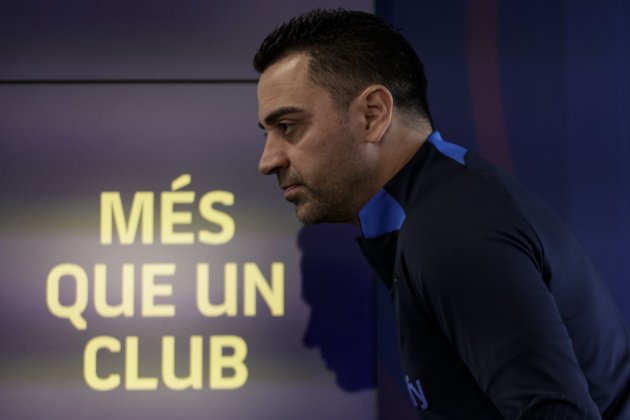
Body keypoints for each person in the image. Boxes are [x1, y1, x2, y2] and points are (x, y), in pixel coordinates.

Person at [253, 9, 630, 419]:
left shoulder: (450, 231)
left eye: (288, 126)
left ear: (373, 114)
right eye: (267, 133)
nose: (268, 160)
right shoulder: (440, 204)